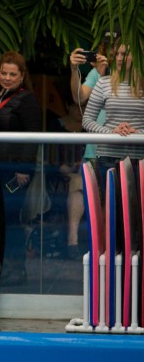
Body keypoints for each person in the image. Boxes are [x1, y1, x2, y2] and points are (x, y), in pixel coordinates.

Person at [0, 51, 42, 285]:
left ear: (21, 77)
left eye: (12, 74)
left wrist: (24, 169)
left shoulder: (27, 99)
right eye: (3, 73)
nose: (7, 78)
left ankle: (17, 267)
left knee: (11, 219)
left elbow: (33, 137)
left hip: (14, 172)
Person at [64, 45, 110, 258]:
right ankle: (73, 243)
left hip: (121, 147)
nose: (116, 55)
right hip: (93, 148)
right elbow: (79, 97)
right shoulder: (96, 72)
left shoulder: (134, 73)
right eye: (111, 50)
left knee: (111, 199)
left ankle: (109, 245)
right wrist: (74, 69)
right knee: (78, 186)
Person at [82, 44, 144, 185]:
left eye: (125, 54)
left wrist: (137, 133)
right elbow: (87, 120)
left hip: (139, 157)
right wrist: (111, 132)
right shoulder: (104, 83)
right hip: (108, 156)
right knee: (111, 205)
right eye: (116, 54)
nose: (119, 58)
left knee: (138, 207)